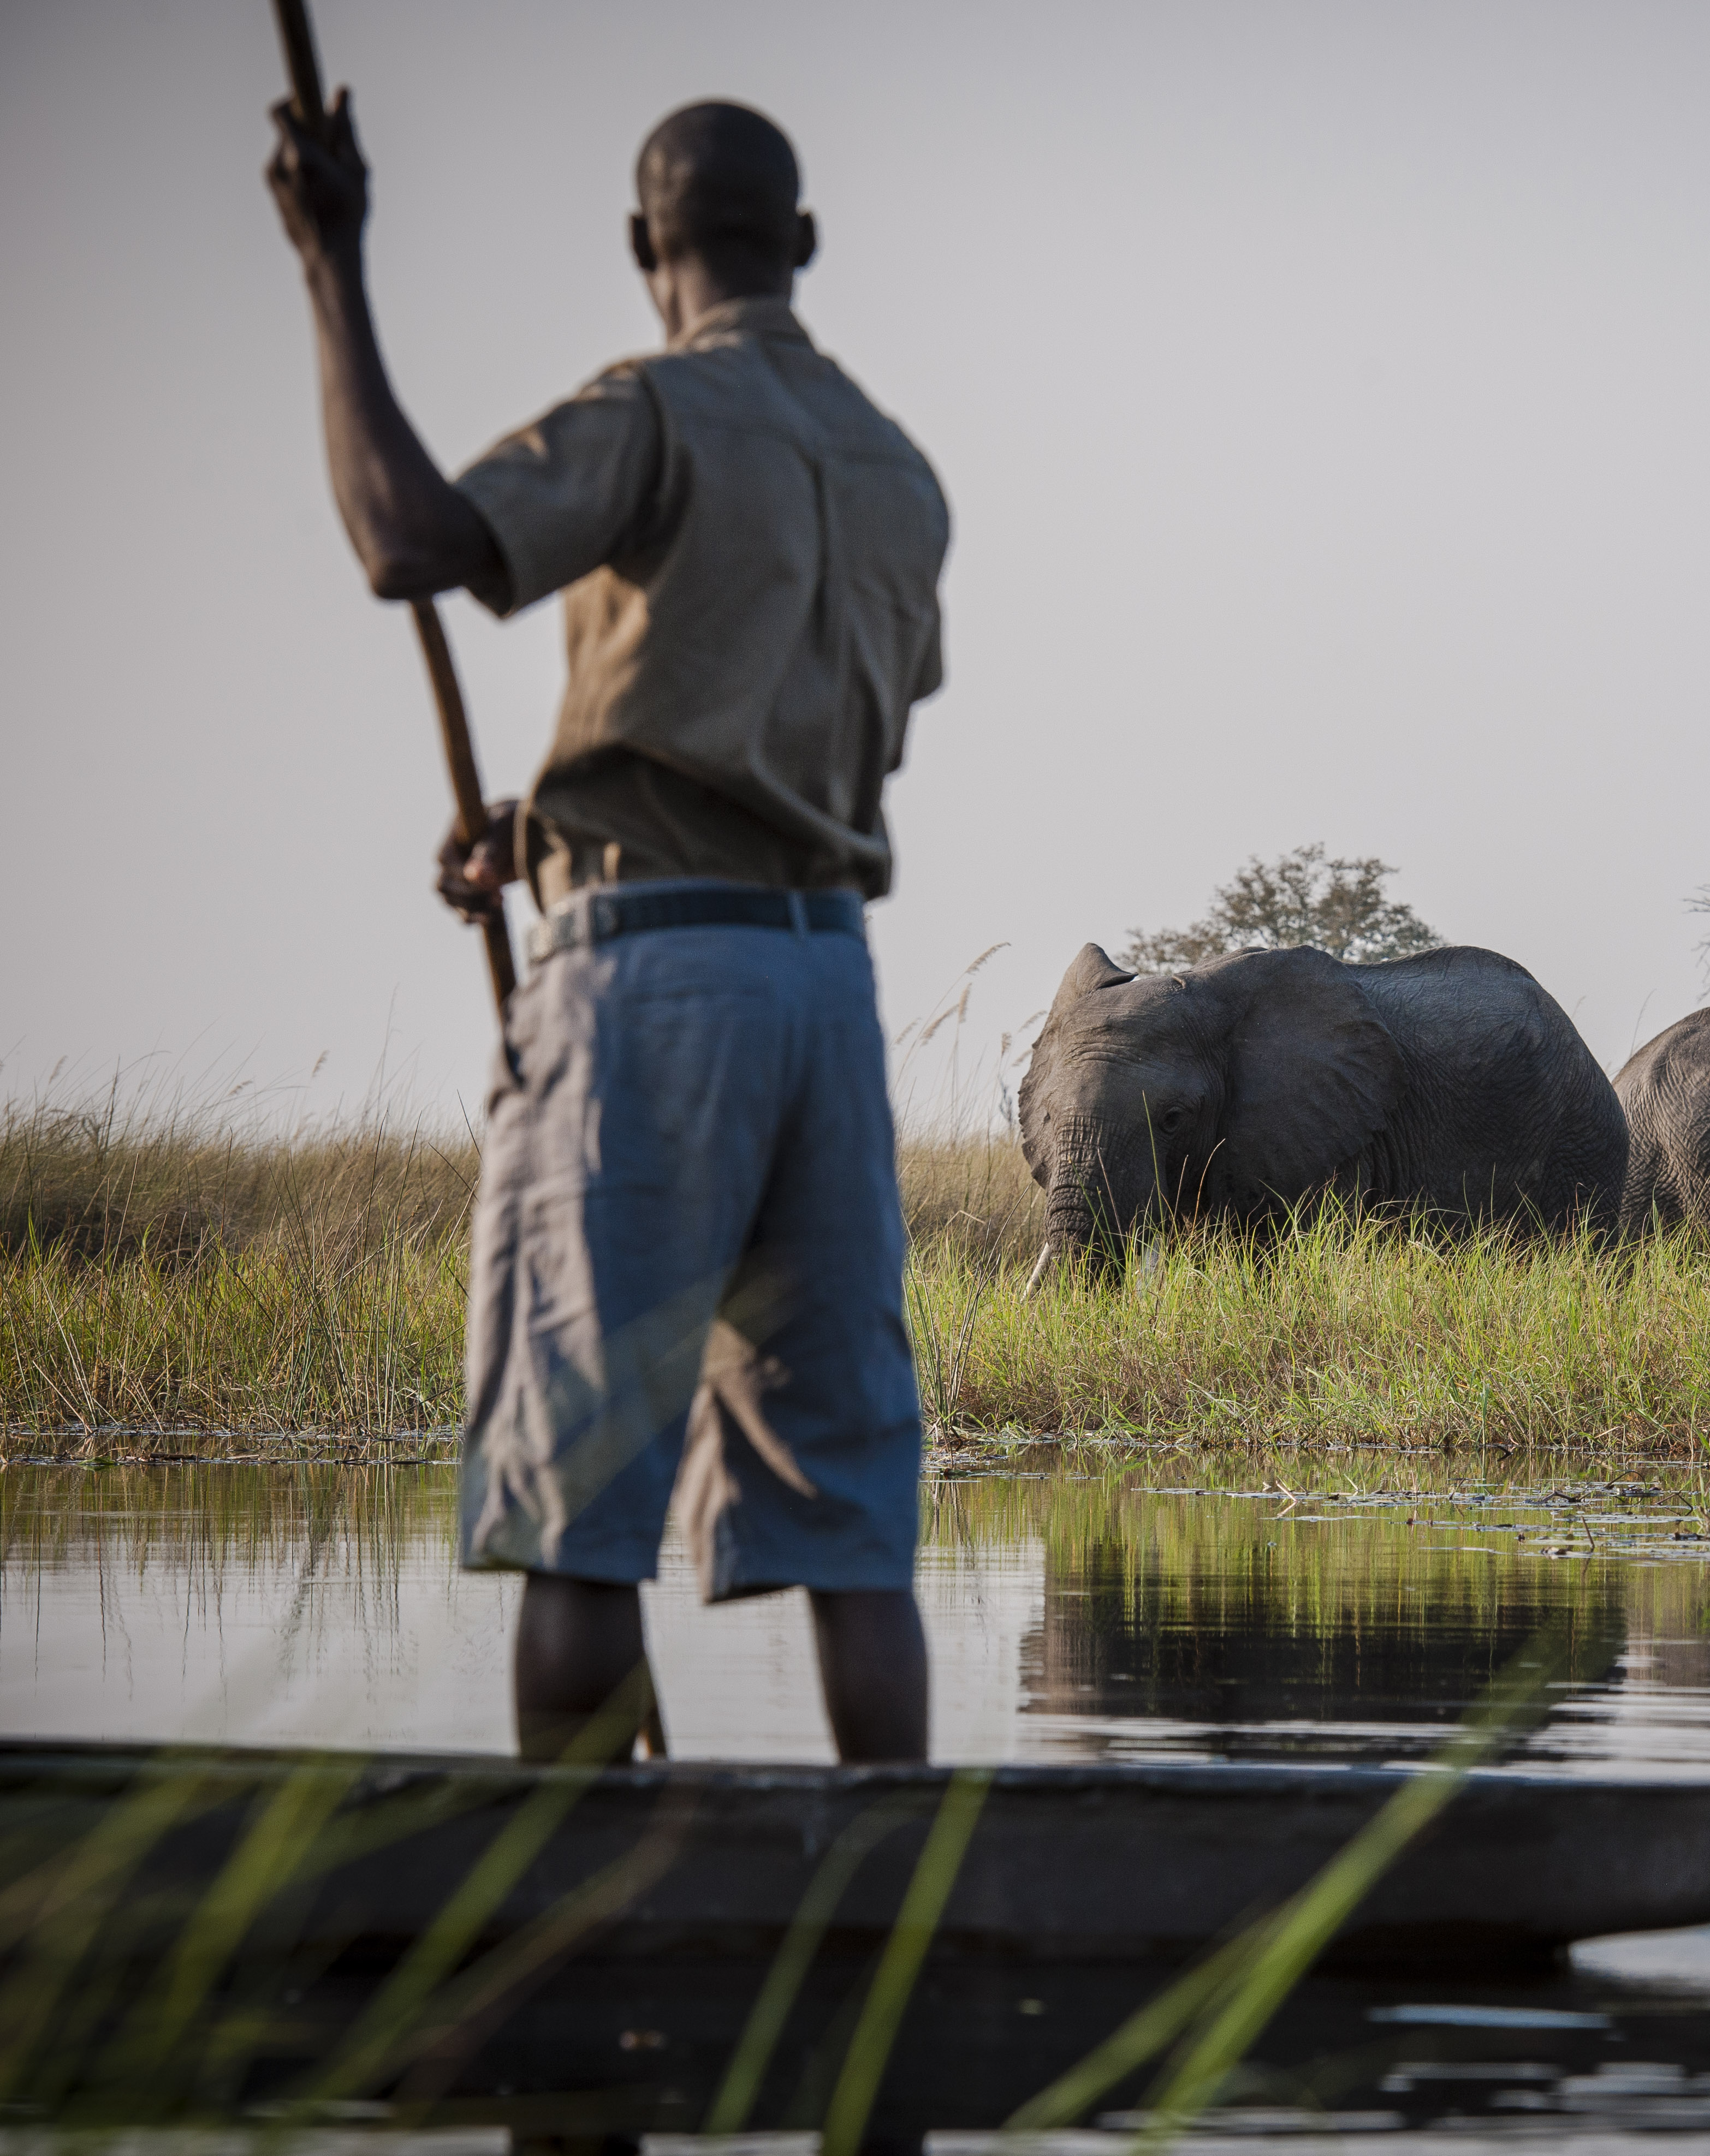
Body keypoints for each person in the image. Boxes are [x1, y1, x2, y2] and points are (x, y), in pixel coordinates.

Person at [268, 91, 947, 1765]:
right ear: (800, 243)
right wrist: (543, 830)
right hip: (822, 989)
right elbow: (796, 744)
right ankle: (905, 1912)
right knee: (853, 1521)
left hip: (655, 994)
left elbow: (407, 541)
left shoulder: (655, 410)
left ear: (649, 249)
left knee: (578, 1502)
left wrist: (331, 266)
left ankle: (562, 1954)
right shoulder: (897, 472)